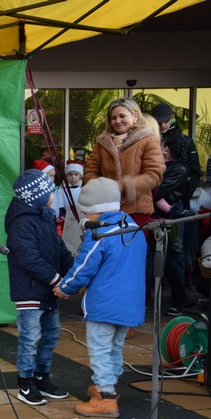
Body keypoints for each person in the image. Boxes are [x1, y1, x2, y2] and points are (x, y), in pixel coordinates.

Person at [55, 177, 147, 418]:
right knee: (115, 347)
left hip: (104, 304)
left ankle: (105, 398)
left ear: (96, 210)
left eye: (87, 212)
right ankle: (109, 387)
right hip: (130, 303)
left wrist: (64, 288)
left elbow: (83, 267)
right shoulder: (134, 228)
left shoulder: (100, 235)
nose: (86, 217)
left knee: (100, 350)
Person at [5, 169, 73, 406]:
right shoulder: (22, 223)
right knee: (30, 338)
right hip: (30, 292)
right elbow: (29, 258)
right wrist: (57, 280)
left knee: (50, 335)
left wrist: (74, 275)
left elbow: (60, 250)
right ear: (37, 195)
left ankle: (41, 378)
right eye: (50, 190)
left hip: (46, 290)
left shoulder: (45, 217)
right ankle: (25, 383)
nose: (53, 194)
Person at [83, 97, 165, 226]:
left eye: (122, 116)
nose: (117, 121)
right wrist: (100, 190)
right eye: (113, 118)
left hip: (136, 210)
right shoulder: (102, 143)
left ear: (135, 117)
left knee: (132, 240)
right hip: (105, 209)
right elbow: (90, 170)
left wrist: (124, 187)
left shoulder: (148, 139)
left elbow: (154, 175)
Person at [152, 102, 203, 294]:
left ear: (172, 118)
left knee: (177, 248)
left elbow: (194, 173)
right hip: (155, 200)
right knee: (153, 248)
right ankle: (154, 290)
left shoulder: (185, 141)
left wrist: (182, 195)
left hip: (176, 202)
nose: (162, 125)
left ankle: (178, 292)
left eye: (164, 122)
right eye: (158, 122)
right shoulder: (151, 137)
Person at [153, 137, 193, 315]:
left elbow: (156, 192)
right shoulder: (161, 166)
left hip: (171, 218)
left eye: (161, 145)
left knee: (173, 256)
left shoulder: (178, 169)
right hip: (157, 216)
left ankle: (180, 299)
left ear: (167, 148)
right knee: (160, 257)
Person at [52, 161, 84, 255]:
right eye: (70, 174)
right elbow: (60, 205)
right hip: (65, 220)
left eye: (76, 174)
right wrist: (62, 216)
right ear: (66, 176)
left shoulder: (83, 191)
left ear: (80, 176)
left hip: (79, 219)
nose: (73, 177)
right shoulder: (61, 191)